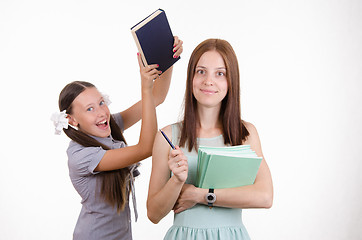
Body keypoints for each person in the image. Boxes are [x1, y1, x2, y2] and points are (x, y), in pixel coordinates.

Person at [51, 37, 183, 240]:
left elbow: (157, 97)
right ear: (72, 120)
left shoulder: (107, 127)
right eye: (89, 109)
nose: (101, 113)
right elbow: (145, 148)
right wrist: (145, 87)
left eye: (101, 102)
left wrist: (167, 58)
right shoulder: (81, 155)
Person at [147, 38, 273, 240]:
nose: (208, 81)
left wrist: (201, 195)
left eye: (220, 73)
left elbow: (265, 196)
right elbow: (153, 213)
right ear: (191, 78)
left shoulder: (245, 134)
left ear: (231, 81)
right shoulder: (168, 137)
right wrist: (177, 181)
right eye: (201, 71)